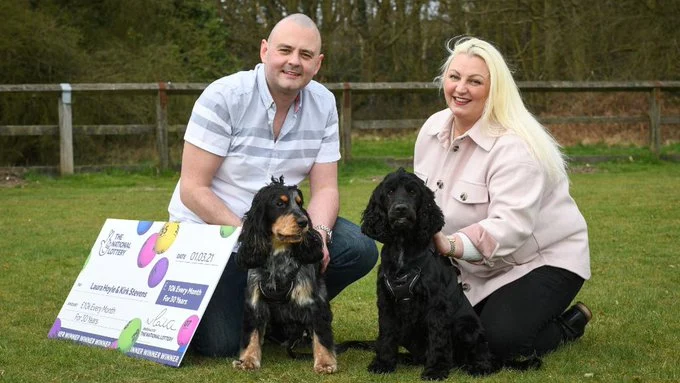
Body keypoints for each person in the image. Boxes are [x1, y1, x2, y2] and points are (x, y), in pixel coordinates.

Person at [167, 13, 378, 357]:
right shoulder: (223, 96)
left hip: (283, 228)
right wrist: (253, 238)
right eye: (285, 50)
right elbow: (193, 189)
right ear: (265, 50)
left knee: (358, 247)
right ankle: (241, 315)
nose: (294, 61)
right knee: (221, 345)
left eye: (306, 55)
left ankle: (283, 320)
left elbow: (325, 189)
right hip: (216, 232)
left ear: (318, 63)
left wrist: (320, 236)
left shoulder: (323, 103)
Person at [414, 37, 592, 360]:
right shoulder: (430, 131)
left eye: (475, 81)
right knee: (429, 339)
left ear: (495, 89)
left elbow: (509, 229)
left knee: (497, 343)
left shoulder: (516, 146)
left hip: (540, 260)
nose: (460, 89)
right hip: (472, 268)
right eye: (454, 77)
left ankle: (568, 326)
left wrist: (450, 245)